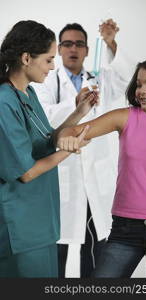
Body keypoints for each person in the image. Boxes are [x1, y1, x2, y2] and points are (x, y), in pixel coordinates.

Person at [57, 56, 146, 278]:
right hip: (125, 228)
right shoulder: (124, 117)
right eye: (139, 84)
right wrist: (67, 137)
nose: (141, 90)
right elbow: (69, 132)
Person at [33, 19, 133, 278]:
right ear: (58, 49)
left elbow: (128, 78)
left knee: (94, 248)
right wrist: (76, 106)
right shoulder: (45, 82)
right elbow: (42, 119)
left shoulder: (99, 79)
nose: (72, 49)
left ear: (88, 50)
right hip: (61, 174)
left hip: (94, 181)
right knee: (58, 250)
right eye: (66, 44)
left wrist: (111, 42)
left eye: (79, 44)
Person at [0, 20, 98, 278]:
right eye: (48, 59)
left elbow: (47, 140)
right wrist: (71, 149)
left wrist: (79, 112)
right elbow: (26, 172)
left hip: (41, 221)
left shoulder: (27, 94)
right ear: (26, 58)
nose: (54, 66)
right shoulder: (4, 102)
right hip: (20, 226)